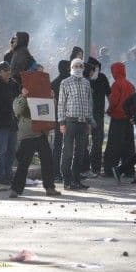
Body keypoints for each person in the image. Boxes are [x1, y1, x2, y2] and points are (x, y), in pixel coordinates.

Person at [10, 86, 61, 198]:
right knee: (24, 163)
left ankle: (50, 187)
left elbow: (50, 111)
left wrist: (52, 98)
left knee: (47, 160)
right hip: (28, 135)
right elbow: (17, 110)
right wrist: (24, 96)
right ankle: (15, 189)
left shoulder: (42, 97)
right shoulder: (20, 98)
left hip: (41, 133)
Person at [57, 58, 95, 190]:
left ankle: (76, 180)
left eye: (81, 66)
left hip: (83, 122)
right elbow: (61, 104)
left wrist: (89, 121)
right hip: (70, 122)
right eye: (76, 66)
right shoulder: (65, 83)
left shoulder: (86, 83)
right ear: (71, 68)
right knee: (67, 152)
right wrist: (62, 122)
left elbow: (89, 103)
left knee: (80, 153)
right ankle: (67, 181)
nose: (78, 68)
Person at [102, 62, 136, 176]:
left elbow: (114, 101)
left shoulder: (116, 84)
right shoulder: (131, 85)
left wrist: (109, 110)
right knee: (128, 145)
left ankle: (110, 170)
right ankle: (128, 170)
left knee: (114, 145)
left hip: (117, 118)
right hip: (128, 119)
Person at [0, 62, 20, 185]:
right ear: (0, 72)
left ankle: (8, 175)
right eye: (5, 70)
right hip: (1, 123)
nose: (8, 72)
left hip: (13, 123)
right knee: (2, 150)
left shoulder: (14, 84)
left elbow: (19, 100)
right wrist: (10, 107)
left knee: (12, 150)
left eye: (9, 70)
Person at [86, 57, 110, 176]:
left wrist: (110, 108)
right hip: (84, 115)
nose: (95, 71)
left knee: (98, 140)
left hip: (98, 114)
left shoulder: (102, 78)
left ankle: (95, 167)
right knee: (84, 141)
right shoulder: (84, 79)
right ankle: (84, 167)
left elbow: (108, 94)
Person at [50, 60, 72, 181]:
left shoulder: (53, 83)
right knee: (68, 145)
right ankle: (67, 172)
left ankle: (56, 172)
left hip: (57, 118)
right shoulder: (70, 82)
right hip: (69, 117)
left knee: (57, 145)